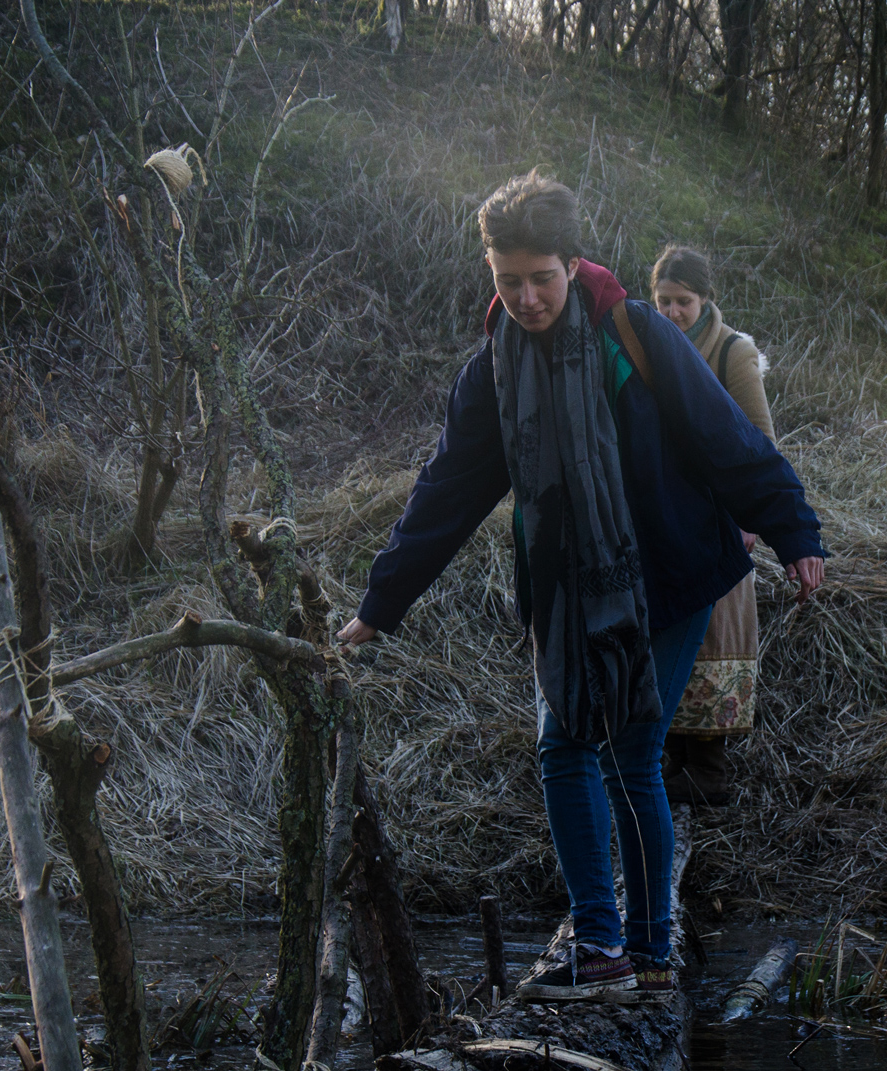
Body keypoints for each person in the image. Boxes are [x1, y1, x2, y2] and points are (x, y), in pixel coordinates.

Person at [335, 172, 826, 1002]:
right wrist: (378, 606)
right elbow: (446, 491)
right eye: (508, 280)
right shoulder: (494, 368)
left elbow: (725, 437)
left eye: (541, 278)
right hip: (564, 585)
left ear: (572, 263)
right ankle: (601, 947)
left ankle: (646, 954)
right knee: (563, 746)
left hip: (670, 573)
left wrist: (794, 530)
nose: (526, 297)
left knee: (632, 749)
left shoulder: (633, 334)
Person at [650, 244, 769, 806]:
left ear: (706, 300)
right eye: (663, 300)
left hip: (719, 522)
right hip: (667, 519)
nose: (672, 312)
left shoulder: (732, 353)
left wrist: (748, 516)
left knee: (713, 641)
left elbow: (760, 443)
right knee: (671, 637)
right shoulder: (646, 344)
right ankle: (674, 757)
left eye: (683, 302)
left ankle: (710, 771)